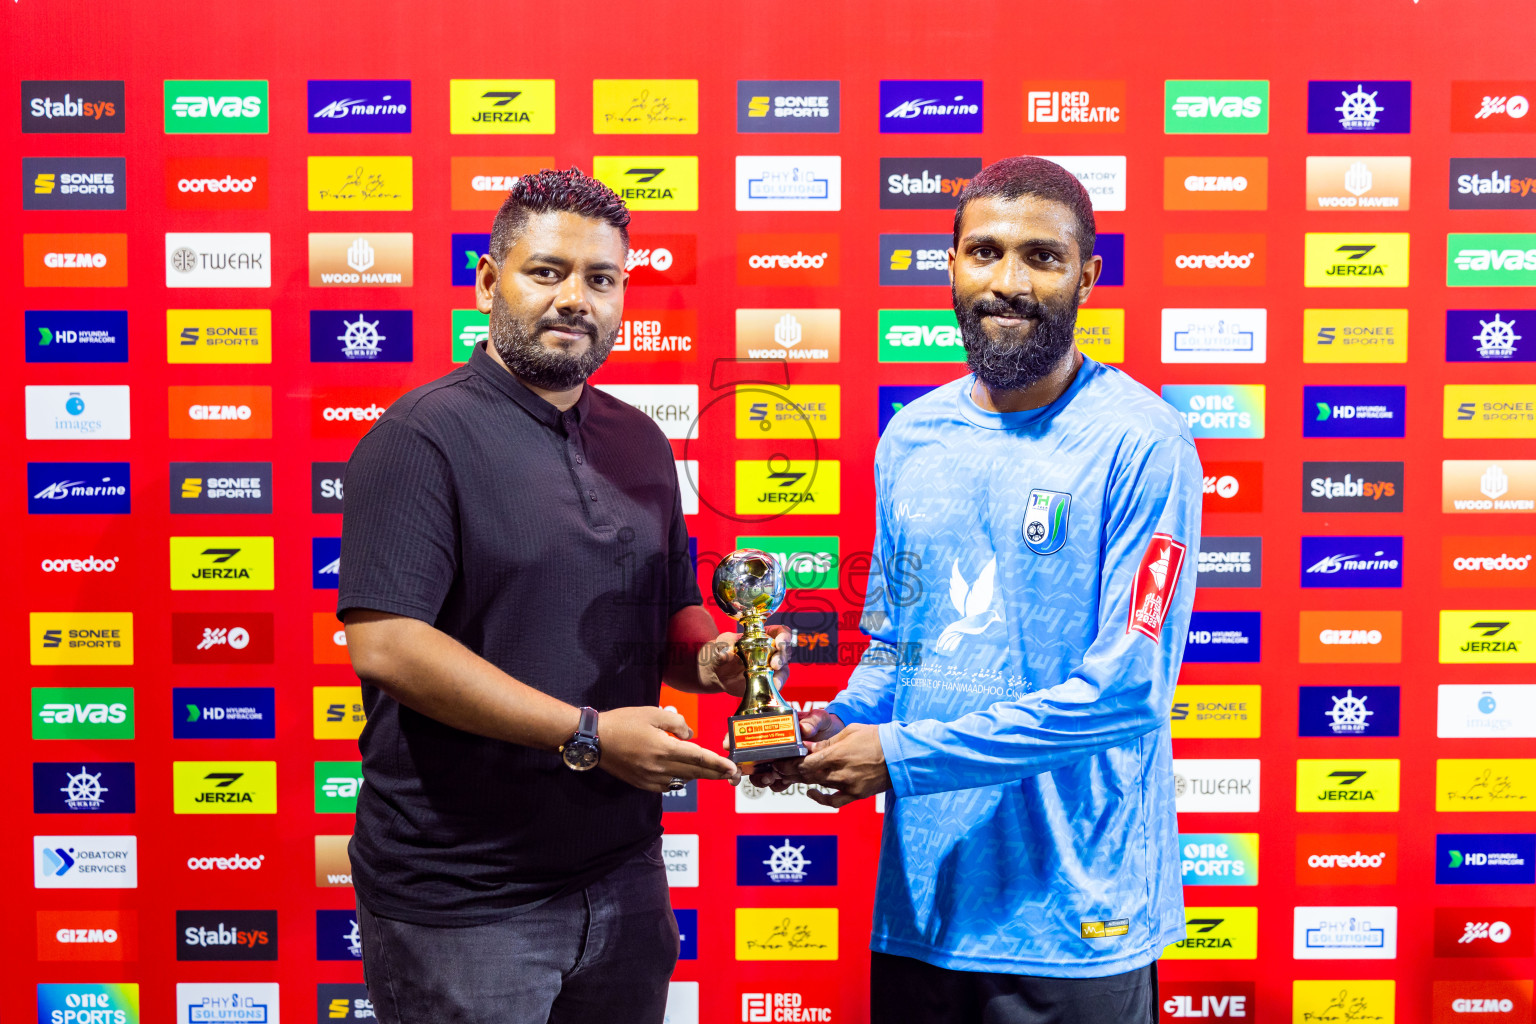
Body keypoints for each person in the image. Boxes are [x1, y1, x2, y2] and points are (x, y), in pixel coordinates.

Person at [756, 156, 1203, 1023]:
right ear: (952, 266)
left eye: (1042, 257)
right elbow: (900, 649)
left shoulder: (1144, 443)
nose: (1009, 283)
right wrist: (835, 726)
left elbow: (1128, 691)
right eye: (986, 252)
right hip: (924, 909)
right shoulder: (912, 437)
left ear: (1087, 277)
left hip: (1077, 924)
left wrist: (900, 757)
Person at [338, 167, 759, 1024]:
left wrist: (721, 658)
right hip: (464, 897)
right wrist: (589, 735)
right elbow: (388, 645)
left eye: (601, 279)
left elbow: (672, 616)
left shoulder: (639, 440)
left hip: (624, 876)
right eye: (547, 272)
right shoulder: (419, 436)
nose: (576, 299)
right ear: (488, 281)